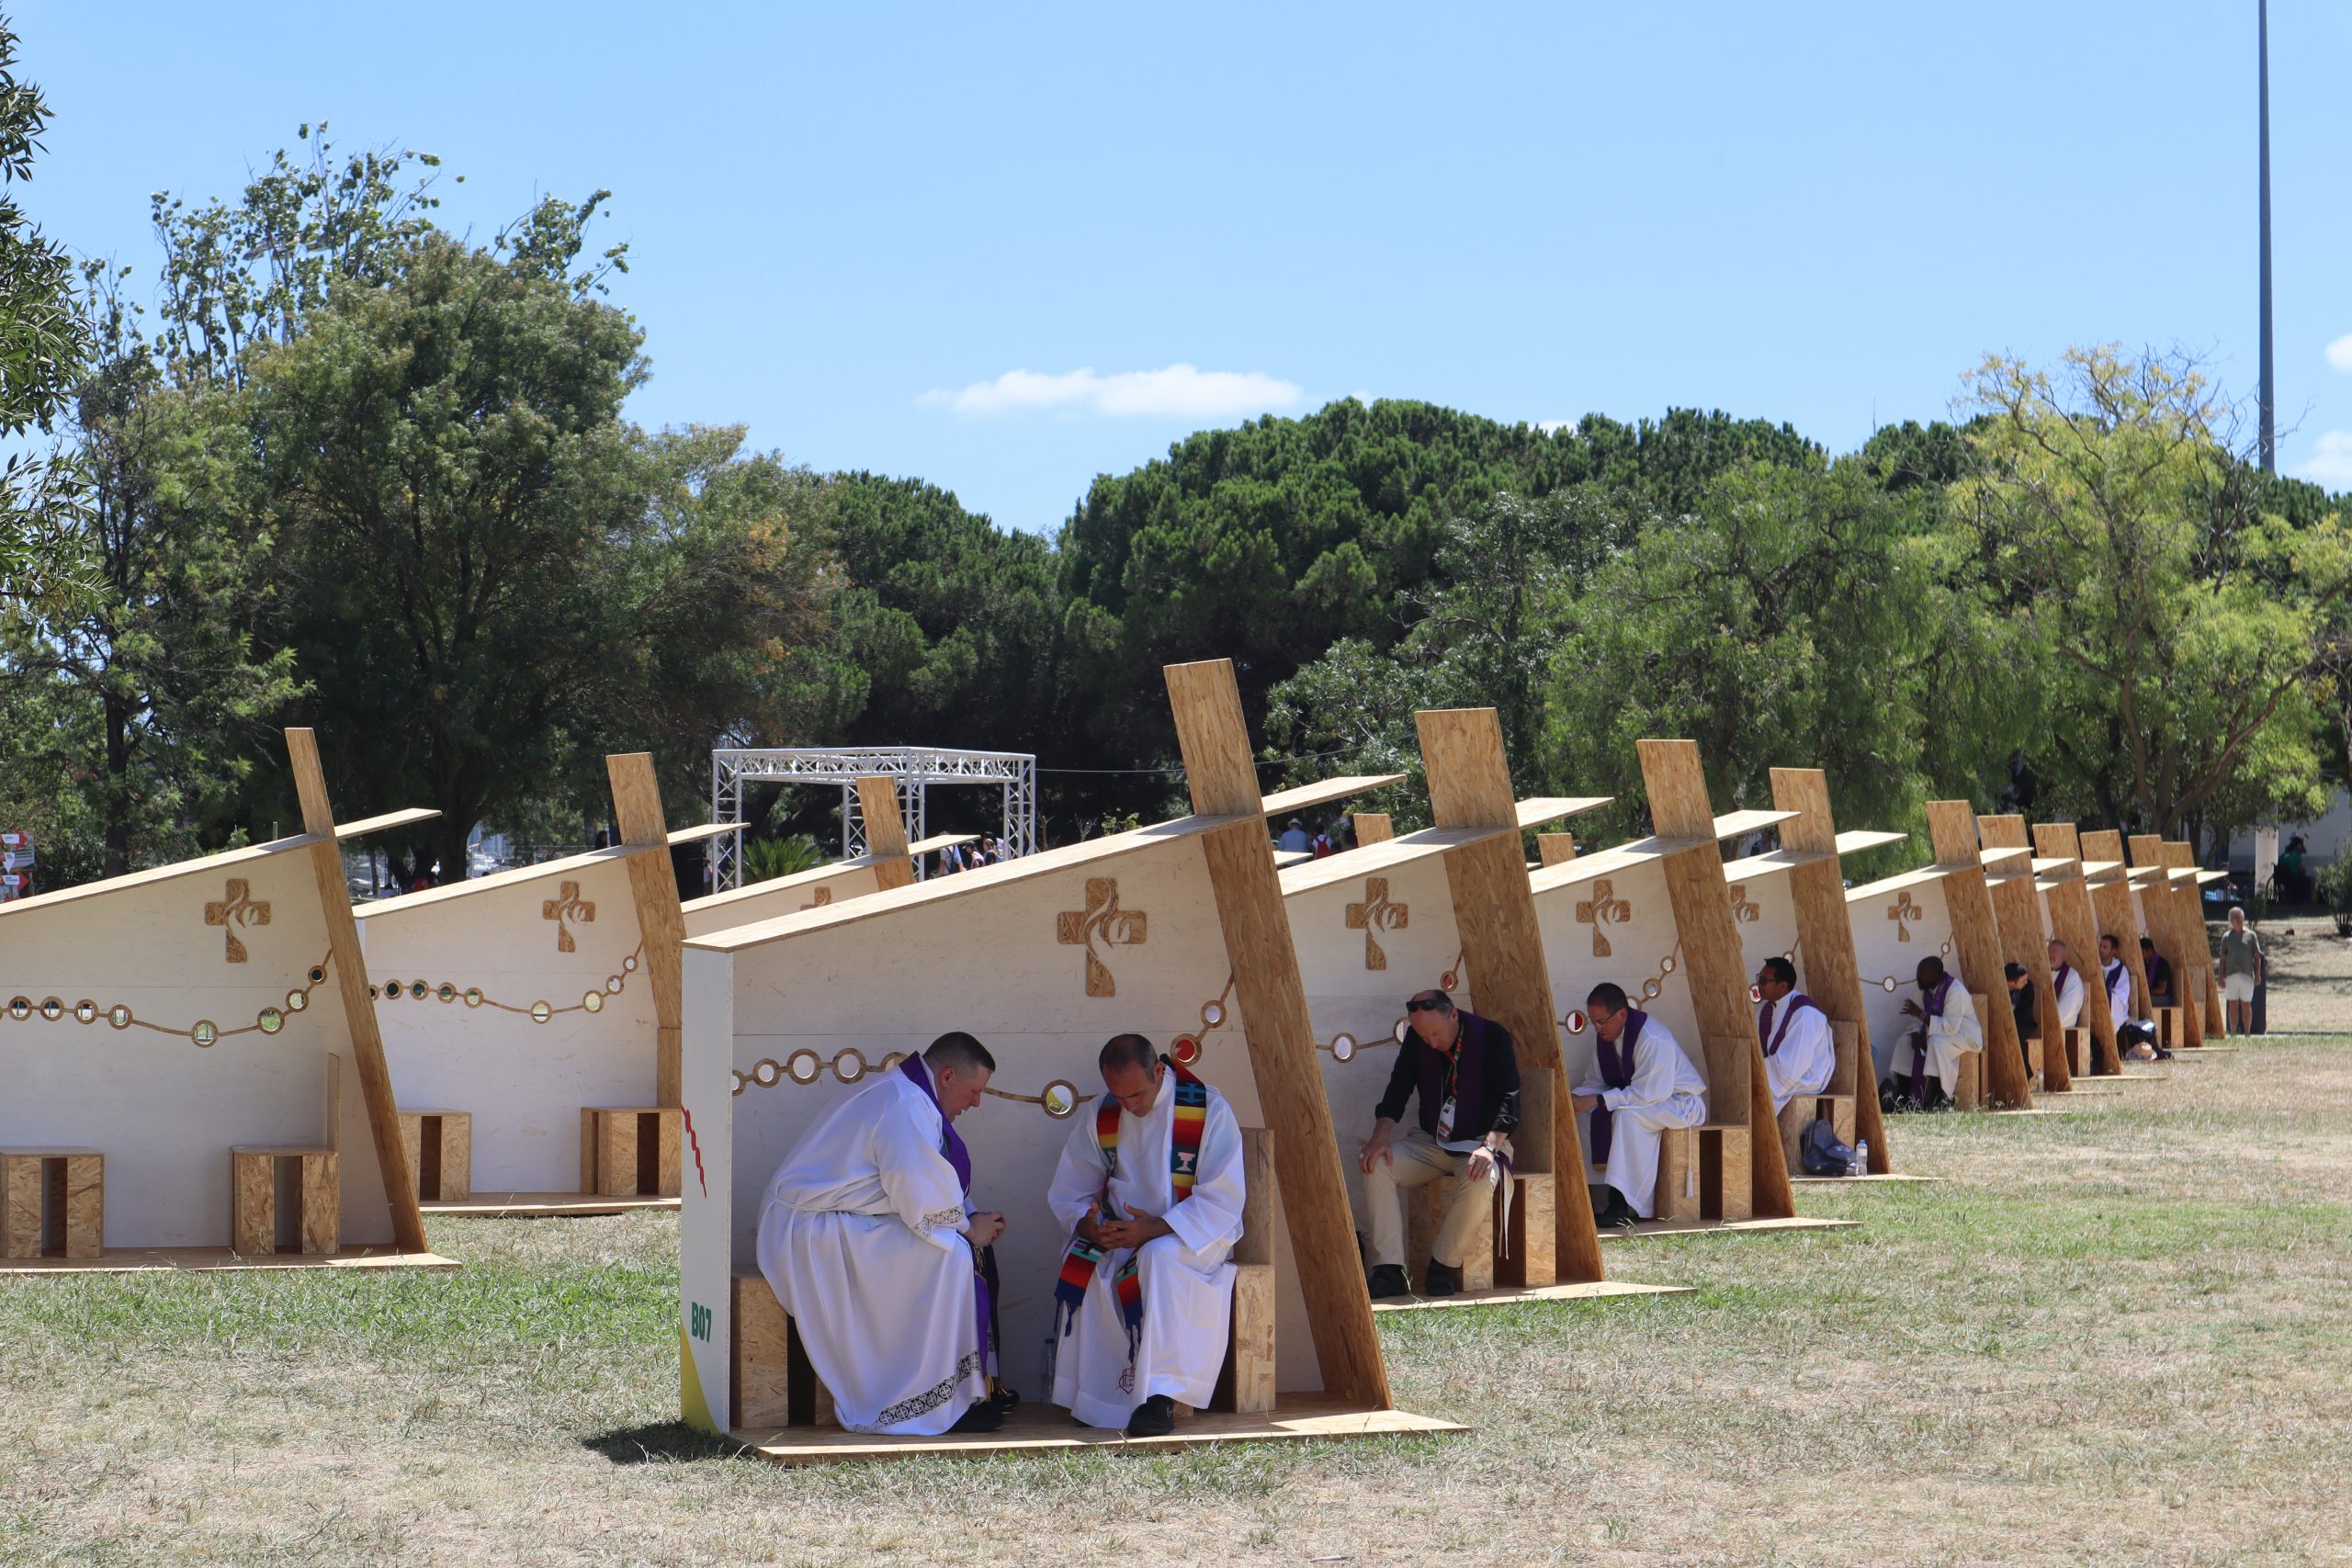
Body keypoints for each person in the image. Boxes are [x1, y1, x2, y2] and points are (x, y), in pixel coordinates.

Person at [753, 1032, 1009, 1436]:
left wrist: (970, 1217)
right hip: (811, 1229)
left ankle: (967, 1390)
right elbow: (917, 1197)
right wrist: (967, 1228)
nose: (976, 1103)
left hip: (839, 1218)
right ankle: (916, 1398)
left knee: (953, 1249)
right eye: (974, 1091)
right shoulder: (905, 1104)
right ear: (946, 1077)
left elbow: (928, 1182)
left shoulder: (910, 1094)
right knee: (953, 1257)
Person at [1046, 1033, 1246, 1437]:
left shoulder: (1206, 1109)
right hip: (1123, 1233)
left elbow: (1222, 1200)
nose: (1130, 1107)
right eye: (1119, 1097)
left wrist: (1154, 1229)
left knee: (1158, 1259)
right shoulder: (1102, 1113)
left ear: (1159, 1070)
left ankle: (1159, 1398)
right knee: (1082, 1256)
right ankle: (1094, 1398)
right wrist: (1090, 1224)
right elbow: (1071, 1189)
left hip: (1193, 1235)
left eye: (1136, 1094)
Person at [1359, 989, 1518, 1297]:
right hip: (1432, 1142)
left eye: (1434, 1033)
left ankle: (1443, 1265)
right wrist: (1379, 1139)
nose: (1430, 1042)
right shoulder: (1418, 1041)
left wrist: (1488, 1147)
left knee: (1483, 1178)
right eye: (1422, 1035)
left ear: (1453, 1014)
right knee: (1376, 1164)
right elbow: (1398, 1089)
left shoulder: (1491, 1037)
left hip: (1479, 1142)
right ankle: (1389, 1270)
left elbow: (1509, 1099)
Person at [1572, 983, 1707, 1226]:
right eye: (1594, 1022)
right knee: (1583, 1115)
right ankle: (1589, 1195)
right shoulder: (1604, 1037)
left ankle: (1624, 1201)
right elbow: (1596, 1081)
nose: (1598, 1028)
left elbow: (1649, 1094)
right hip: (1645, 1098)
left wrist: (1599, 1100)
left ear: (1622, 1014)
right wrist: (1575, 1099)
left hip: (1679, 1102)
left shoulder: (1652, 1038)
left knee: (1626, 1117)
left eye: (1602, 1021)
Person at [1883, 956, 1982, 1110]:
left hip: (1964, 1036)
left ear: (1936, 976)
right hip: (1933, 1032)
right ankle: (1904, 1098)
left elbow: (1950, 1027)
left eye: (1922, 973)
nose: (1918, 977)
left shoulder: (1955, 991)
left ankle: (1938, 1098)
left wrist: (1922, 1016)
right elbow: (1914, 1019)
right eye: (1918, 971)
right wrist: (1916, 1034)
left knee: (1935, 1043)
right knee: (1904, 1043)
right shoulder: (1922, 987)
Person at [1754, 956, 1834, 1114]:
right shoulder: (1765, 1010)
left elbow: (1795, 1064)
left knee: (1753, 1093)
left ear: (1782, 985)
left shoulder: (1804, 1013)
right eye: (1759, 979)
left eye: (1763, 980)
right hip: (1778, 1073)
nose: (1759, 985)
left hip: (1804, 1078)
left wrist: (1757, 1072)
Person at [2099, 933, 2160, 1062]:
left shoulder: (2120, 970)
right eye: (2100, 946)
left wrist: (2107, 993)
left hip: (2116, 1005)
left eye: (2105, 947)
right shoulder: (2095, 966)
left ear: (2113, 951)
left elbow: (2122, 993)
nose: (2101, 949)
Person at [2220, 906, 2264, 1035]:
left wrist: (2258, 975)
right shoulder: (2226, 937)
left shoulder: (2251, 936)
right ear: (2230, 920)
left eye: (2241, 917)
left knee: (2246, 1004)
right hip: (2231, 975)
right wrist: (2221, 977)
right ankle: (2233, 1032)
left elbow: (2257, 957)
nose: (2239, 920)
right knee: (2233, 1004)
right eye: (2236, 918)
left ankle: (2247, 1032)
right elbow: (2223, 959)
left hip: (2247, 975)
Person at [2003, 962, 2036, 1080]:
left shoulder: (2027, 988)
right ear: (2011, 983)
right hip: (2005, 1024)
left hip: (2024, 1023)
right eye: (2022, 981)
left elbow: (2025, 1013)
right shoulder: (2002, 989)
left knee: (2016, 1033)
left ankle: (2025, 1073)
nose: (2026, 982)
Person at [2047, 939, 2085, 1031]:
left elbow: (2067, 1007)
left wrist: (2049, 1021)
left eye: (2054, 952)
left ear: (2064, 957)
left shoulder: (2072, 977)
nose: (2050, 955)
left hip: (2063, 1027)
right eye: (2048, 952)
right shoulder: (2043, 973)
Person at [2140, 937, 2175, 1009]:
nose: (2142, 956)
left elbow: (2162, 989)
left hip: (2163, 998)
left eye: (2143, 953)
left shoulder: (2162, 964)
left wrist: (2146, 992)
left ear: (2149, 950)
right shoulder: (2147, 963)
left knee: (2139, 1001)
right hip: (2152, 995)